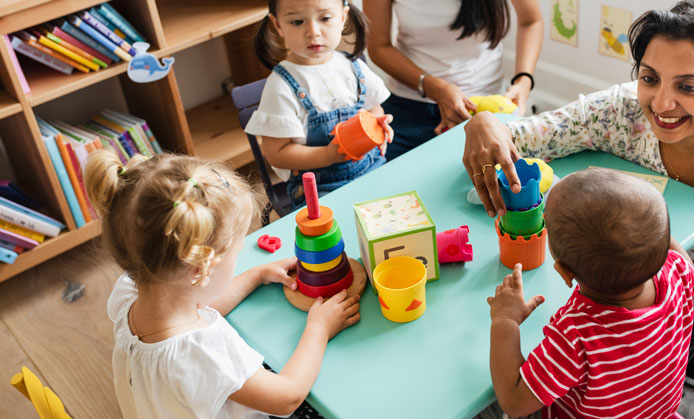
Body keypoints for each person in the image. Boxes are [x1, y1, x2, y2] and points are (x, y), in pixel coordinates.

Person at [464, 0, 694, 412]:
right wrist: (484, 122)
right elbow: (531, 135)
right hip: (647, 286)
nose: (660, 103)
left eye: (688, 87)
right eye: (649, 78)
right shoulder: (622, 111)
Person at [85, 151, 361, 418]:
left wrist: (256, 275)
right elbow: (287, 397)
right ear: (201, 269)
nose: (238, 260)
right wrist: (319, 328)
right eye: (236, 254)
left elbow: (196, 304)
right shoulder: (202, 351)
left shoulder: (130, 294)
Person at [488, 167, 694, 418]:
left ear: (565, 273)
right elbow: (670, 249)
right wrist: (646, 228)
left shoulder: (575, 335)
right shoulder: (679, 273)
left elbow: (513, 401)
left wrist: (505, 320)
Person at [247, 0, 394, 208]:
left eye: (325, 18)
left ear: (343, 17)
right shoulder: (281, 86)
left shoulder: (353, 66)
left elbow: (373, 108)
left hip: (372, 169)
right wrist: (327, 155)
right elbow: (276, 154)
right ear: (278, 25)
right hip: (320, 189)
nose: (313, 32)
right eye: (297, 22)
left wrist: (377, 124)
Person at [364, 0, 544, 160]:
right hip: (408, 108)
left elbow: (531, 21)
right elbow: (379, 47)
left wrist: (524, 81)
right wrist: (434, 87)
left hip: (485, 108)